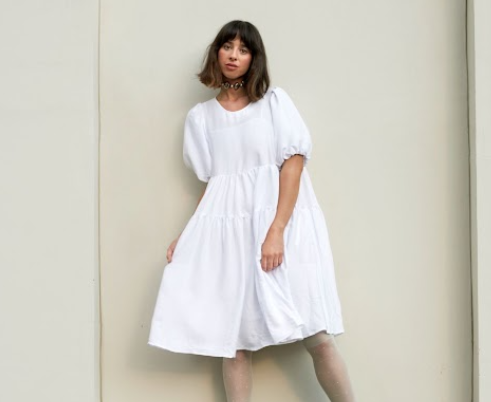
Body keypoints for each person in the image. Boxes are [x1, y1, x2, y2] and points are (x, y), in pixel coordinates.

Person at [148, 20, 355, 402]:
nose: (233, 55)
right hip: (232, 235)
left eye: (243, 49)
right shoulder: (201, 118)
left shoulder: (273, 103)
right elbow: (216, 185)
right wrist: (188, 236)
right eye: (227, 46)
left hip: (282, 227)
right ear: (217, 53)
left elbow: (293, 165)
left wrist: (276, 230)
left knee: (317, 335)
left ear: (253, 59)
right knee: (234, 342)